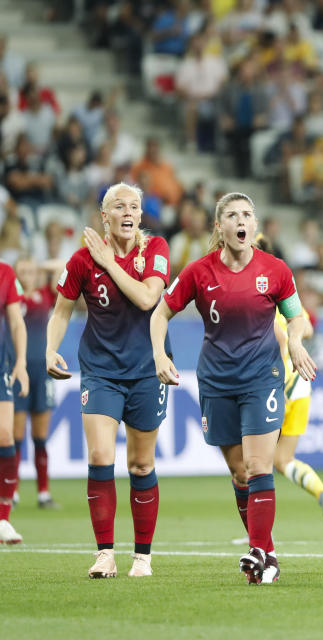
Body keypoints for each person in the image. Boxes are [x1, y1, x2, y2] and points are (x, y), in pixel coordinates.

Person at [151, 192, 316, 585]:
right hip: (216, 381)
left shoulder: (275, 269)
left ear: (254, 226)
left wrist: (294, 340)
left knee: (260, 466)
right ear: (219, 227)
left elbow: (297, 318)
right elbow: (161, 312)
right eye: (232, 215)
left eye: (247, 214)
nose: (241, 221)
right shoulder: (198, 272)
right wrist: (159, 355)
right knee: (240, 473)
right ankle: (269, 552)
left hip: (262, 379)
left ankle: (257, 551)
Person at [46, 183, 172, 578]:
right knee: (100, 457)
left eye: (134, 205)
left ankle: (142, 557)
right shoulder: (83, 260)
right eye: (120, 206)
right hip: (100, 370)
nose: (129, 211)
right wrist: (49, 349)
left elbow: (148, 299)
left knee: (140, 463)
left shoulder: (156, 251)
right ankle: (104, 554)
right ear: (105, 216)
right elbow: (61, 311)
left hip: (148, 370)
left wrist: (110, 263)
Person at [256, 234, 323, 537]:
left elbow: (282, 335)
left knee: (251, 461)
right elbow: (306, 325)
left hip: (272, 385)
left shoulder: (254, 293)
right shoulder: (283, 291)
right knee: (282, 460)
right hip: (300, 386)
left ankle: (256, 527)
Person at [12, 256, 63, 509]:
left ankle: (43, 493)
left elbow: (64, 266)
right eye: (22, 271)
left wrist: (39, 266)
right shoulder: (12, 299)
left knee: (41, 437)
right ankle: (12, 490)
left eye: (30, 271)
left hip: (42, 373)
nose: (27, 275)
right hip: (17, 371)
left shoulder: (46, 294)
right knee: (15, 436)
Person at [0, 259, 28, 544]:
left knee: (5, 435)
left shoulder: (5, 273)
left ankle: (3, 518)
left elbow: (16, 322)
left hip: (0, 368)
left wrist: (20, 362)